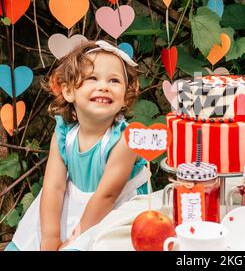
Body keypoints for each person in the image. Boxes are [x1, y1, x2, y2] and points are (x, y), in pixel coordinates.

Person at [5, 40, 149, 251]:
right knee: (26, 244)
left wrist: (75, 238)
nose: (104, 86)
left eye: (114, 81)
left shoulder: (125, 139)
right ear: (68, 91)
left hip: (113, 208)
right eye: (92, 78)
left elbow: (107, 196)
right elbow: (54, 188)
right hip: (74, 202)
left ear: (125, 97)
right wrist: (50, 238)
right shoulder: (64, 134)